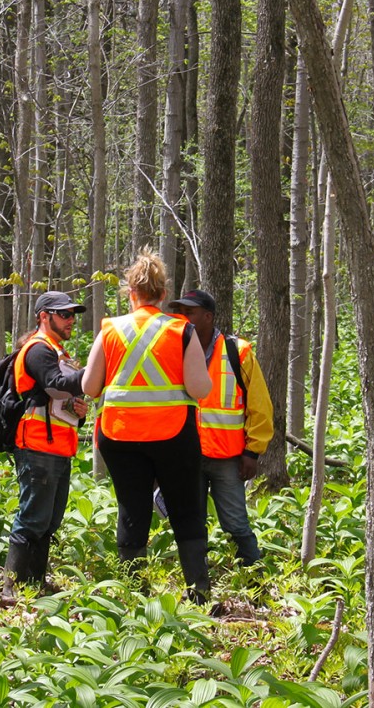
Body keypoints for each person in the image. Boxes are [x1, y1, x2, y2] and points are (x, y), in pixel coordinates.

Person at [80, 250, 217, 602]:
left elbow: (90, 388)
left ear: (131, 293)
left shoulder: (111, 329)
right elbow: (201, 388)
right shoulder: (180, 329)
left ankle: (134, 595)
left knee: (132, 509)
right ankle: (198, 593)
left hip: (120, 435)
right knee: (186, 509)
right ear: (162, 294)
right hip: (173, 435)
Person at [167, 289, 274, 566]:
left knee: (237, 523)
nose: (183, 318)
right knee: (192, 524)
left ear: (208, 316)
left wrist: (253, 452)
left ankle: (255, 581)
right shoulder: (172, 351)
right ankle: (197, 584)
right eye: (180, 312)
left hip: (229, 458)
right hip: (187, 457)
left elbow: (260, 405)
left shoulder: (237, 352)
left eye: (189, 312)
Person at [2, 291, 89, 596]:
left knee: (48, 521)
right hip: (37, 446)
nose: (71, 320)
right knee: (32, 518)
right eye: (63, 314)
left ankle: (35, 584)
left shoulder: (57, 352)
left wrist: (79, 410)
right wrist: (93, 375)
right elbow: (56, 383)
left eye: (72, 315)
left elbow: (60, 397)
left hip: (58, 448)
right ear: (44, 316)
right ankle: (10, 589)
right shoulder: (38, 350)